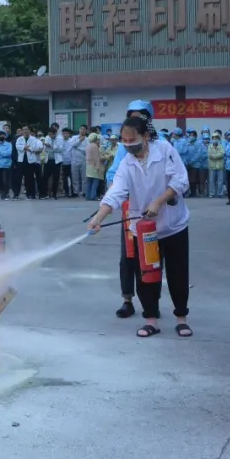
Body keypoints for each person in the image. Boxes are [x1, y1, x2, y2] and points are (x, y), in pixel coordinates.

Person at [90, 115, 192, 338]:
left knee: (177, 274)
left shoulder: (164, 150)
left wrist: (158, 201)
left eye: (131, 139)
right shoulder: (127, 163)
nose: (127, 144)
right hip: (144, 229)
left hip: (173, 226)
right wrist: (99, 217)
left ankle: (181, 318)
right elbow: (116, 192)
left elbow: (180, 180)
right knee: (146, 275)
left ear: (146, 136)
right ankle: (151, 320)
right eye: (123, 141)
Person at [104, 100, 158, 319]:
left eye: (141, 117)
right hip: (131, 210)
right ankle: (127, 299)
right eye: (132, 116)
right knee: (128, 256)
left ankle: (152, 302)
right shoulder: (125, 147)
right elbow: (113, 174)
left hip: (156, 213)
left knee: (153, 257)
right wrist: (115, 195)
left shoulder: (161, 143)